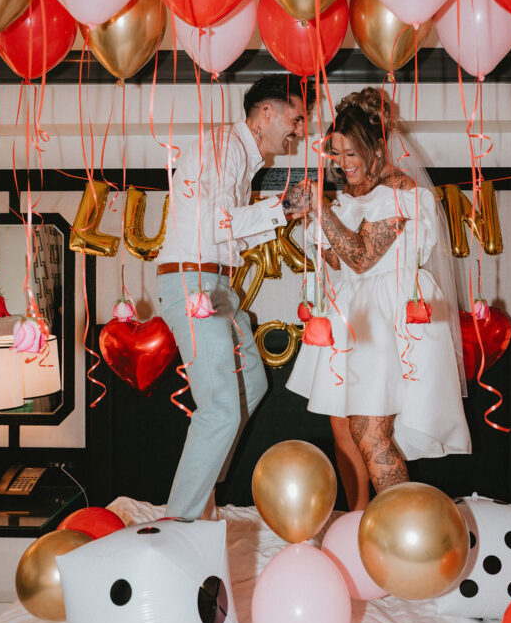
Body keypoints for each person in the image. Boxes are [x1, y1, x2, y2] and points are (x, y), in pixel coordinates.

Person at [287, 95, 470, 507]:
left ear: (377, 146)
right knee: (342, 426)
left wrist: (323, 211)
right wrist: (314, 219)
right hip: (354, 315)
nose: (343, 162)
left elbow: (362, 257)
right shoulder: (353, 195)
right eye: (336, 153)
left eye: (352, 153)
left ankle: (405, 529)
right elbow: (338, 261)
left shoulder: (402, 191)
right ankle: (359, 517)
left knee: (372, 432)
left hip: (390, 318)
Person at [157, 74, 316, 520]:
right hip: (193, 284)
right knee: (223, 409)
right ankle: (181, 522)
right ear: (266, 113)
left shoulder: (242, 159)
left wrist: (280, 211)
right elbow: (216, 226)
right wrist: (282, 207)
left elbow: (227, 236)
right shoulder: (224, 146)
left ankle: (201, 495)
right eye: (296, 117)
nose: (300, 130)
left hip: (215, 285)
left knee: (252, 385)